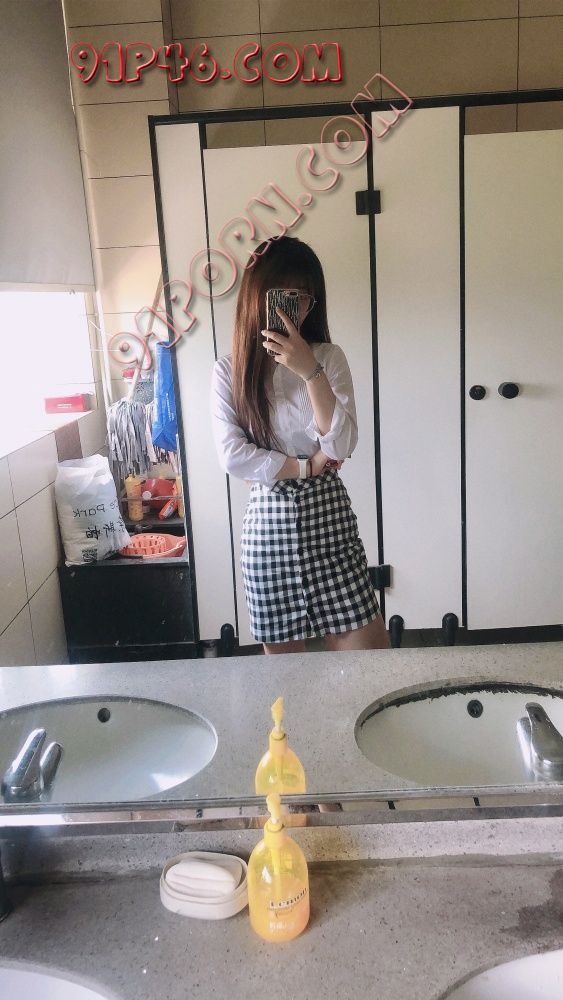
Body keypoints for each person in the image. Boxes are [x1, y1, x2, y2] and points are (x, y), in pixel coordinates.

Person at [209, 235, 390, 655]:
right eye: (282, 295)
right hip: (268, 536)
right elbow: (233, 456)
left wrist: (309, 371)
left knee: (372, 666)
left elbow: (341, 445)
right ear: (256, 296)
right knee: (288, 682)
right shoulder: (229, 371)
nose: (296, 307)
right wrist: (307, 466)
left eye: (303, 297)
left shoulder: (328, 358)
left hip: (331, 529)